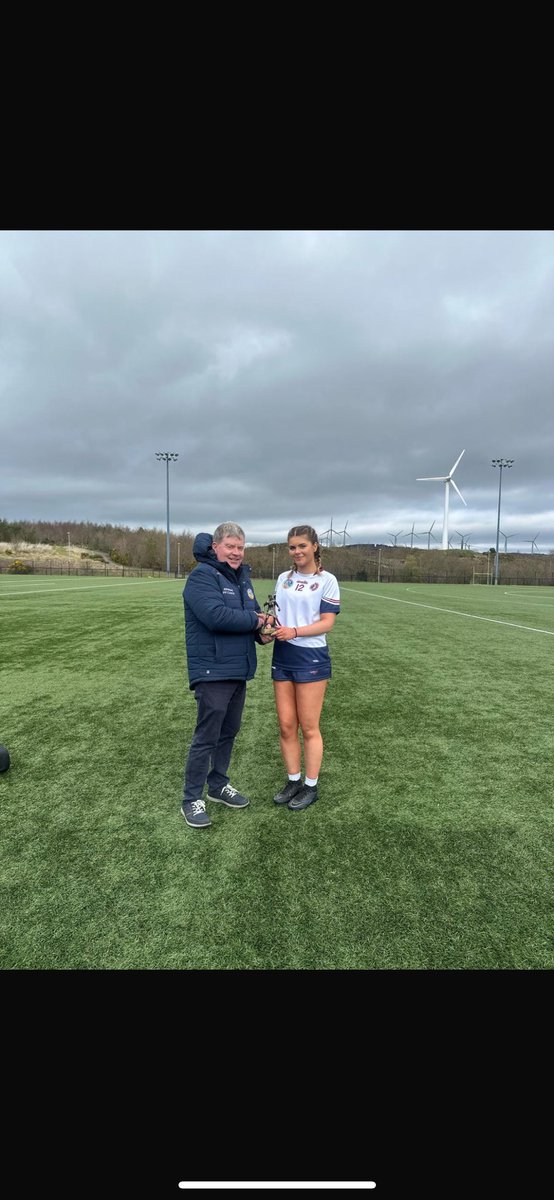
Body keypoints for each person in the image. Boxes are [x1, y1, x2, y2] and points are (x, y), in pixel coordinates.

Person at [181, 523, 268, 829]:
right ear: (215, 547)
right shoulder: (202, 576)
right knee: (206, 737)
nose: (236, 553)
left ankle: (217, 785)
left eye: (240, 547)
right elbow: (216, 617)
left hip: (237, 669)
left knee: (229, 731)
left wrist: (262, 633)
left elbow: (252, 614)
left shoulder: (242, 577)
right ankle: (191, 798)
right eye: (230, 546)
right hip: (212, 669)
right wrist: (256, 620)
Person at [268, 525, 340, 811]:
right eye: (292, 547)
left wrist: (295, 632)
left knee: (309, 727)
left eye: (302, 546)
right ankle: (293, 780)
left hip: (310, 657)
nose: (296, 551)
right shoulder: (283, 578)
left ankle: (311, 786)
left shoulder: (327, 580)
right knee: (286, 725)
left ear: (315, 547)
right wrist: (268, 626)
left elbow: (327, 623)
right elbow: (276, 615)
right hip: (282, 655)